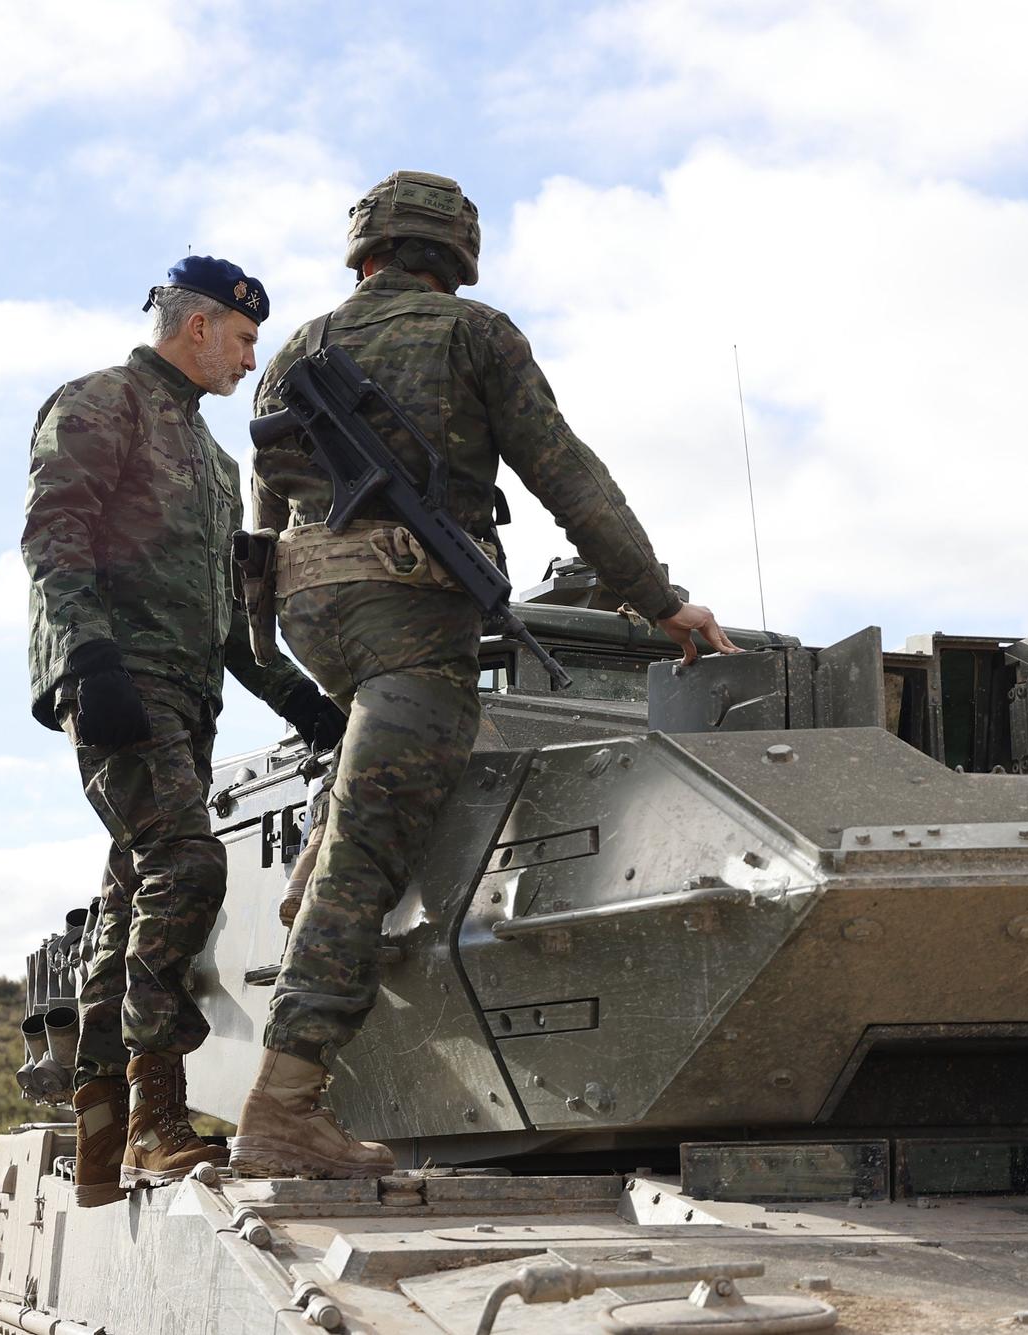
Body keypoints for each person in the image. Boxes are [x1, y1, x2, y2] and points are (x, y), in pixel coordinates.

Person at [229, 171, 740, 1178]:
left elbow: (263, 517)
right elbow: (566, 476)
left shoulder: (293, 351)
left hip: (310, 616)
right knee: (368, 864)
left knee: (371, 780)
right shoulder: (474, 335)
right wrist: (656, 598)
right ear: (455, 254)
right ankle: (284, 1108)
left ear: (363, 251)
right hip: (413, 619)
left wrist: (270, 638)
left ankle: (326, 845)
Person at [22, 257, 346, 1206]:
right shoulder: (99, 405)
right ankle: (157, 1118)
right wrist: (88, 660)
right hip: (119, 683)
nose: (252, 359)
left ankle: (107, 1135)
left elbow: (224, 620)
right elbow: (54, 535)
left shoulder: (212, 460)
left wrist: (306, 704)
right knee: (191, 864)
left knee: (132, 900)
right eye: (244, 340)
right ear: (198, 326)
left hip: (185, 699)